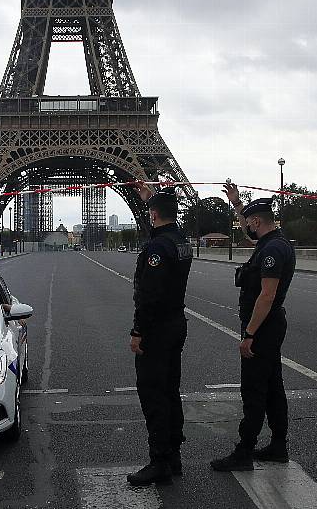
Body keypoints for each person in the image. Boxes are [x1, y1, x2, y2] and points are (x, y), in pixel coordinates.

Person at [211, 186, 296, 472]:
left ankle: (244, 452)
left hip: (264, 328)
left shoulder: (272, 249)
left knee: (254, 390)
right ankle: (278, 446)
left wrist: (249, 334)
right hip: (271, 326)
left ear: (257, 222)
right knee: (273, 388)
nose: (246, 226)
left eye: (249, 221)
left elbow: (267, 296)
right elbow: (250, 235)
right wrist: (236, 204)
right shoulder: (274, 241)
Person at [126, 184, 194, 486]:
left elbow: (150, 295)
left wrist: (138, 329)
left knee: (153, 395)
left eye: (151, 212)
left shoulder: (157, 247)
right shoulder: (181, 242)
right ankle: (173, 455)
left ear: (153, 215)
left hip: (157, 328)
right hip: (176, 321)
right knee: (170, 392)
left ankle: (159, 461)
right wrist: (151, 199)